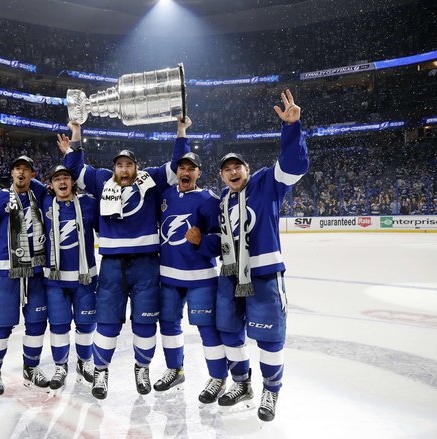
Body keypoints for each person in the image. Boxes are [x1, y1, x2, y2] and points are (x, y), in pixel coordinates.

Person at [59, 117, 191, 399]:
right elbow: (75, 169)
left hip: (146, 264)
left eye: (129, 164)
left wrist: (181, 131)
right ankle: (101, 371)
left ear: (136, 167)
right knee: (106, 322)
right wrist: (76, 133)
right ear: (114, 168)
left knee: (144, 322)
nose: (124, 169)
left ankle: (142, 368)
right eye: (119, 164)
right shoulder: (101, 180)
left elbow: (178, 162)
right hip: (112, 265)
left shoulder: (152, 180)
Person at [214, 89, 308, 422]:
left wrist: (292, 128)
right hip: (230, 277)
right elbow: (222, 241)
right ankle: (241, 383)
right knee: (228, 331)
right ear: (222, 177)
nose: (232, 172)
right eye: (226, 170)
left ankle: (271, 389)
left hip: (265, 275)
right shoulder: (222, 202)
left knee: (269, 336)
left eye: (237, 166)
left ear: (247, 169)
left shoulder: (266, 183)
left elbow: (295, 165)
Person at [0, 156, 49, 400]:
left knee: (36, 324)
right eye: (17, 169)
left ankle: (31, 367)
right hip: (7, 274)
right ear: (11, 172)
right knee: (1, 325)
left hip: (36, 272)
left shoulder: (41, 197)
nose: (21, 173)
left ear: (33, 174)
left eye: (26, 169)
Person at [155, 151, 229, 405]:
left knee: (207, 329)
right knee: (168, 325)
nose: (185, 172)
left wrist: (203, 242)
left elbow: (223, 240)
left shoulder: (210, 200)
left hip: (201, 278)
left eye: (191, 168)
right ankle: (175, 370)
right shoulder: (165, 196)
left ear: (199, 173)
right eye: (181, 168)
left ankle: (218, 377)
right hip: (168, 276)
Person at [41, 165, 99, 395]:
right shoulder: (45, 202)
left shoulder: (89, 203)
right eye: (57, 179)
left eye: (66, 177)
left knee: (85, 325)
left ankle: (84, 362)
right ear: (51, 184)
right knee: (58, 325)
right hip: (55, 279)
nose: (62, 182)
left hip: (84, 277)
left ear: (73, 182)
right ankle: (60, 366)